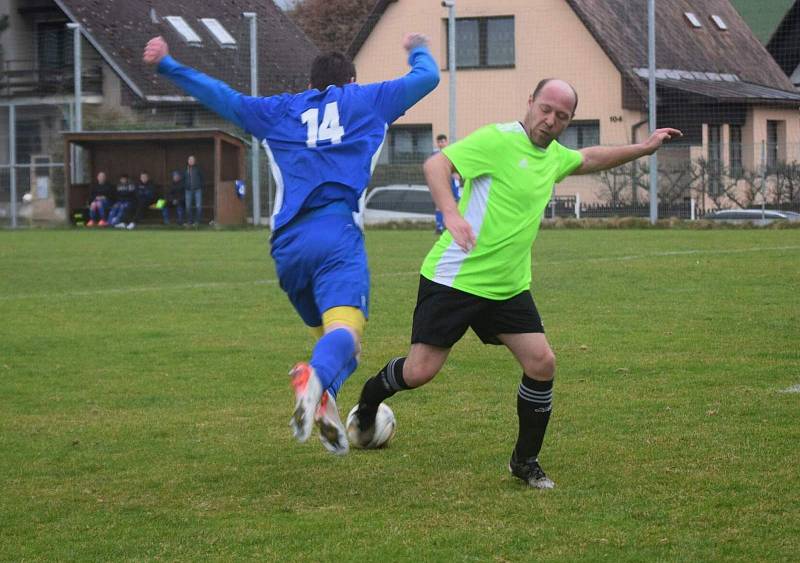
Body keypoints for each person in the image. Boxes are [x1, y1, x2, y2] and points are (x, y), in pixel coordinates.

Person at [349, 78, 682, 487]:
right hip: (456, 279)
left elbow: (591, 157)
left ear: (568, 121)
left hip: (507, 287)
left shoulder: (554, 157)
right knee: (419, 372)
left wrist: (643, 148)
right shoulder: (497, 140)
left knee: (542, 363)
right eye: (545, 109)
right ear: (530, 102)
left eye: (561, 116)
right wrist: (451, 214)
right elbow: (436, 165)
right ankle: (368, 404)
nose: (550, 120)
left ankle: (524, 461)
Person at [143, 31, 439, 455]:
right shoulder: (367, 100)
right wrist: (416, 48)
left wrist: (169, 64)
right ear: (350, 81)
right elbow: (427, 77)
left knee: (341, 345)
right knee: (345, 334)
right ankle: (312, 380)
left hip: (287, 247)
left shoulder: (279, 111)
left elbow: (221, 96)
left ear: (311, 84)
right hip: (335, 236)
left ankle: (323, 395)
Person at [432, 134, 460, 235]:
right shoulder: (434, 155)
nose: (441, 144)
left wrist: (457, 173)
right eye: (439, 142)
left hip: (452, 182)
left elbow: (458, 165)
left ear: (446, 142)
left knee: (455, 204)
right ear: (437, 143)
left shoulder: (452, 153)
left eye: (443, 141)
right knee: (439, 205)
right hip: (440, 182)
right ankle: (439, 227)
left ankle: (453, 227)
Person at [184, 155, 204, 227]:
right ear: (188, 161)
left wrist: (200, 186)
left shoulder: (198, 169)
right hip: (188, 190)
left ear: (195, 161)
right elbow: (183, 179)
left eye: (192, 160)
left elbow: (202, 178)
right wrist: (185, 186)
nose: (191, 161)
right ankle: (189, 222)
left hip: (197, 190)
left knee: (198, 206)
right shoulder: (185, 169)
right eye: (189, 160)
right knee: (188, 206)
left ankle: (197, 222)